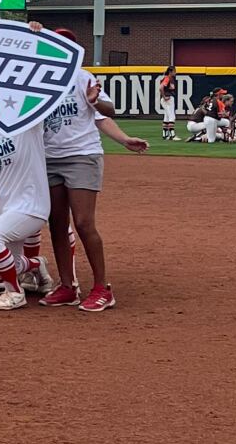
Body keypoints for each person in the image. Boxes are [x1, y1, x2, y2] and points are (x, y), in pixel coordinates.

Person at [35, 27, 149, 311]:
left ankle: (102, 287)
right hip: (49, 157)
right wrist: (32, 32)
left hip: (81, 155)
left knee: (84, 223)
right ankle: (67, 286)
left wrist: (123, 138)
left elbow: (106, 112)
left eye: (66, 44)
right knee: (57, 224)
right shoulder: (37, 78)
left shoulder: (83, 77)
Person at [0, 117, 55, 311]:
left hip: (30, 205)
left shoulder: (27, 124)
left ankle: (14, 292)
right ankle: (36, 264)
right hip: (2, 208)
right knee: (14, 264)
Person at [158, 66, 178, 140]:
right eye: (174, 71)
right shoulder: (167, 78)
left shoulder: (171, 79)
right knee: (172, 116)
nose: (175, 72)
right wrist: (164, 97)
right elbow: (161, 88)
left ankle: (165, 135)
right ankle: (172, 135)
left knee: (166, 116)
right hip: (168, 99)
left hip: (168, 99)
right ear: (170, 71)